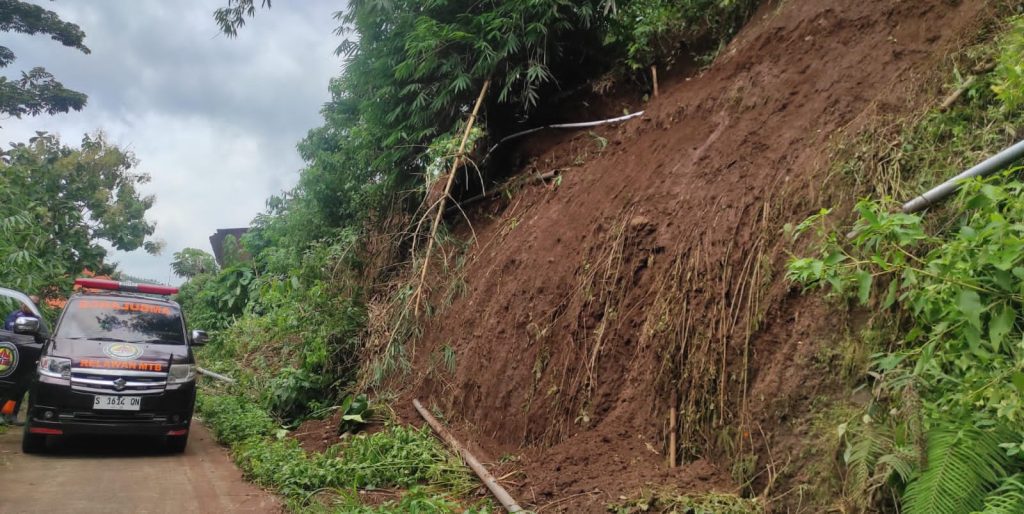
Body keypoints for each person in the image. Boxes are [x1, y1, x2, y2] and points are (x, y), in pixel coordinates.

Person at [1, 296, 38, 425]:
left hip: (27, 358)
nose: (31, 306)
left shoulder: (37, 319)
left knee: (22, 387)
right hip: (12, 356)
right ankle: (3, 414)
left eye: (35, 304)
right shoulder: (15, 316)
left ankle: (12, 414)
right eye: (29, 303)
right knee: (6, 385)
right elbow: (11, 334)